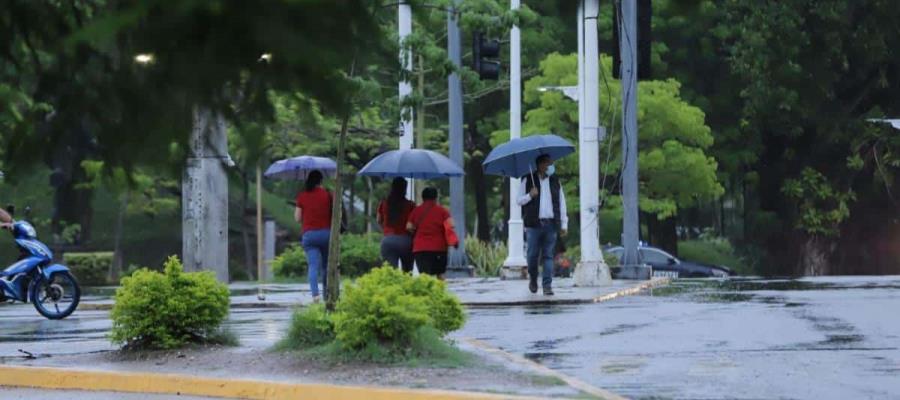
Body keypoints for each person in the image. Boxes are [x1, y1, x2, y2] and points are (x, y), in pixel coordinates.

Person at [517, 154, 568, 295]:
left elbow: (562, 203)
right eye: (548, 163)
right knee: (532, 256)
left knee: (548, 256)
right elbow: (518, 200)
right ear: (540, 165)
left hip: (550, 224)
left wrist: (564, 224)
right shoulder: (528, 179)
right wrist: (530, 195)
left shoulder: (555, 181)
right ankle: (533, 279)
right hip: (533, 225)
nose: (551, 166)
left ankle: (547, 285)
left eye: (551, 163)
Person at [294, 170, 333, 303]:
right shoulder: (328, 195)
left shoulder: (302, 196)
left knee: (313, 265)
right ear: (321, 181)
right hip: (327, 234)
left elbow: (297, 218)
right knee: (326, 266)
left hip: (310, 235)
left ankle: (315, 295)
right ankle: (327, 294)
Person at [406, 187, 456, 279]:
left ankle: (427, 292)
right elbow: (451, 225)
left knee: (424, 276)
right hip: (439, 248)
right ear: (436, 197)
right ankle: (441, 292)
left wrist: (416, 230)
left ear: (423, 197)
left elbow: (408, 226)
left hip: (420, 249)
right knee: (440, 274)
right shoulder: (442, 211)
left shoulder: (416, 210)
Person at [377, 177, 416, 272]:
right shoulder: (410, 205)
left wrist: (386, 230)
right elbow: (414, 224)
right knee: (407, 273)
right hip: (406, 241)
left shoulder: (384, 203)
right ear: (405, 189)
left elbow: (378, 220)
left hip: (388, 240)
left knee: (391, 274)